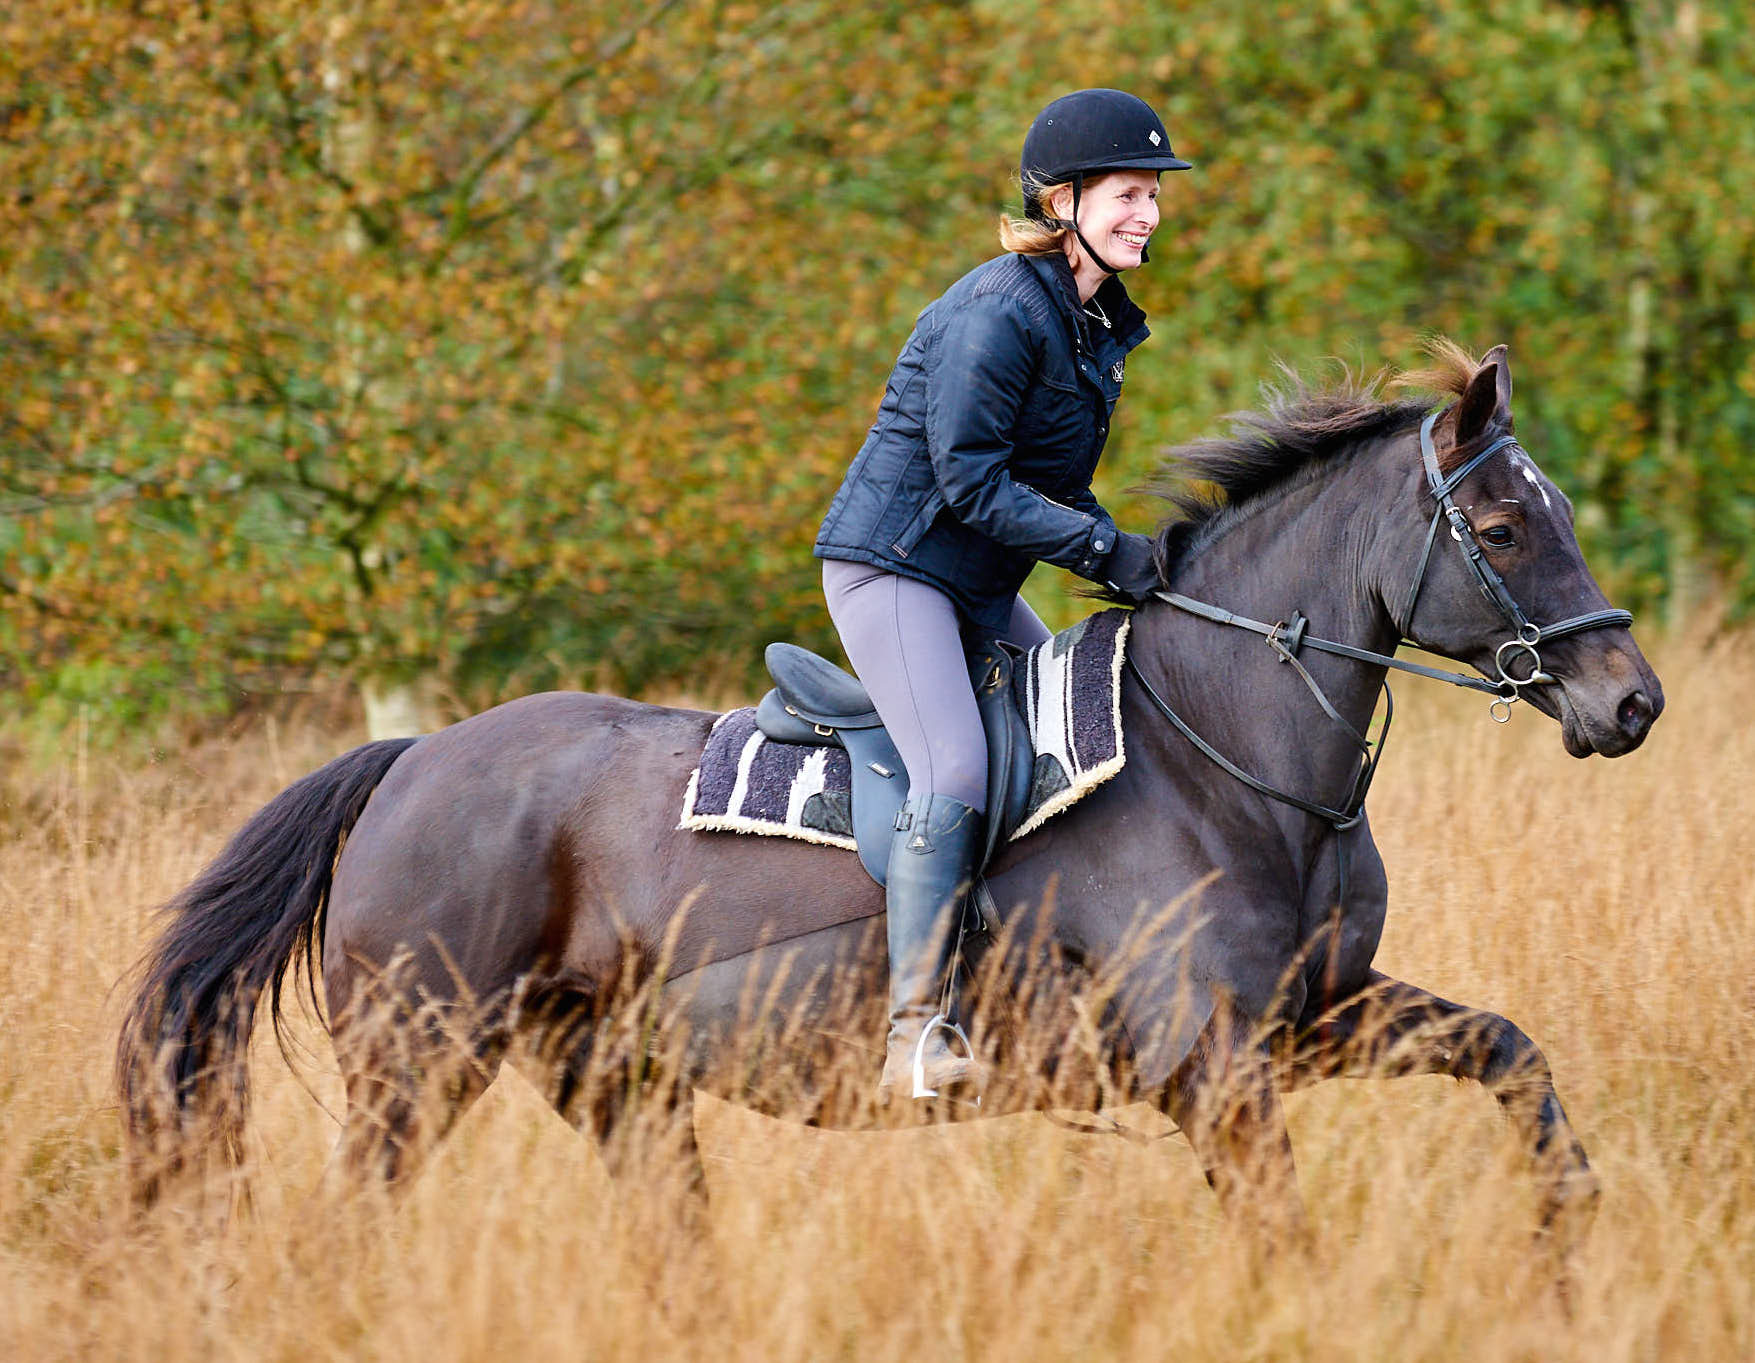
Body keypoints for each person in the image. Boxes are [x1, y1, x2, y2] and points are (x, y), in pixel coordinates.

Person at [813, 88, 1191, 1103]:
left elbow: (1054, 492)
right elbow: (973, 484)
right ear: (1061, 200)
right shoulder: (998, 312)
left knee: (1071, 730)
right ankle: (914, 1035)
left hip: (975, 580)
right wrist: (1110, 552)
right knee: (959, 761)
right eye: (1126, 194)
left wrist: (1154, 565)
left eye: (1153, 194)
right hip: (896, 569)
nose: (1147, 213)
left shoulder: (1092, 320)